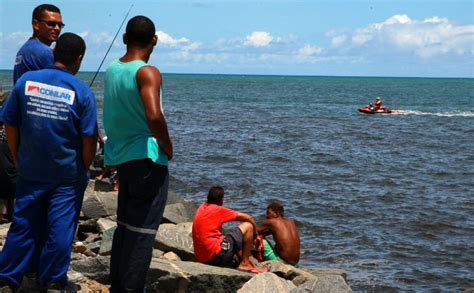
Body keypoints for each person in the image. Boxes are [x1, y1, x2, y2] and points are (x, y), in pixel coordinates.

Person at [0, 33, 97, 291]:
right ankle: (53, 280)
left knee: (23, 224)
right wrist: (84, 168)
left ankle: (7, 278)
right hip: (66, 174)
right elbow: (89, 139)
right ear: (79, 59)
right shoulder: (82, 92)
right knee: (61, 227)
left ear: (53, 53)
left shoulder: (26, 81)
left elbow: (9, 122)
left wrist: (17, 155)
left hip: (31, 168)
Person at [103, 15, 173, 292]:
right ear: (154, 40)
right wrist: (168, 147)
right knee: (143, 231)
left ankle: (117, 283)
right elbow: (154, 116)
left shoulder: (112, 68)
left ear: (124, 39)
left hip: (121, 157)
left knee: (125, 225)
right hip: (147, 158)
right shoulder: (147, 72)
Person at [192, 186, 268, 273]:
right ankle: (245, 264)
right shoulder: (218, 209)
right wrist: (256, 235)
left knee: (231, 238)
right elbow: (248, 218)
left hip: (201, 258)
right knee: (248, 226)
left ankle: (246, 263)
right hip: (216, 257)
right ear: (221, 199)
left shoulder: (201, 207)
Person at [13, 4, 64, 84]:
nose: (57, 28)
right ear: (36, 24)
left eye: (60, 25)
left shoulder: (24, 50)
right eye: (51, 24)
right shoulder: (44, 52)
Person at [256, 201, 300, 266]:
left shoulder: (272, 222)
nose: (266, 216)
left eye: (268, 213)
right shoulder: (291, 222)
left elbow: (253, 231)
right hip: (295, 263)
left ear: (276, 213)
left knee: (259, 238)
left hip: (281, 262)